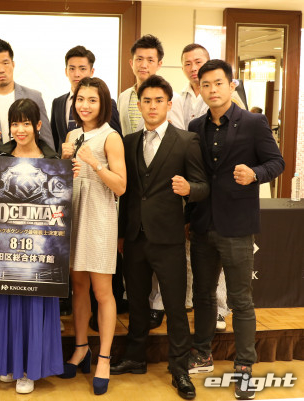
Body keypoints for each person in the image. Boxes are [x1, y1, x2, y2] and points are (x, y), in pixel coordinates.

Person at [187, 59, 284, 400]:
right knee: (202, 295)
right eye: (206, 84)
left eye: (218, 83)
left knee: (240, 300)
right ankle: (202, 352)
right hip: (202, 224)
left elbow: (277, 162)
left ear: (231, 85)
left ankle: (244, 366)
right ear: (199, 89)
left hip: (238, 226)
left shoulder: (254, 122)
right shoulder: (195, 126)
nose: (212, 89)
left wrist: (255, 174)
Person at [0, 98, 78, 394]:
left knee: (33, 306)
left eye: (26, 123)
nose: (20, 129)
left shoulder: (53, 161)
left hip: (40, 255)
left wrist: (70, 174)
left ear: (38, 125)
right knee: (5, 303)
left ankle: (30, 368)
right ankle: (8, 364)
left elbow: (61, 209)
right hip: (4, 253)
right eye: (15, 124)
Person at [113, 74, 208, 400]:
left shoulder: (186, 140)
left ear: (169, 105)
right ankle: (135, 357)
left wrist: (190, 189)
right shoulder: (128, 142)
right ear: (139, 106)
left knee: (175, 307)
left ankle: (180, 368)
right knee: (137, 302)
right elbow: (126, 194)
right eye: (146, 101)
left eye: (158, 101)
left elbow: (203, 186)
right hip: (134, 237)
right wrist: (121, 234)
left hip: (168, 238)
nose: (152, 106)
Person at [168, 43, 243, 336]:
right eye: (187, 63)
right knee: (196, 251)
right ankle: (198, 306)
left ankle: (221, 308)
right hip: (191, 180)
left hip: (223, 188)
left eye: (198, 61)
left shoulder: (229, 96)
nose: (193, 68)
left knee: (219, 254)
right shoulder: (178, 97)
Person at [58, 77, 126, 396]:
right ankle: (81, 347)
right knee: (79, 286)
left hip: (99, 216)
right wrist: (63, 162)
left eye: (92, 100)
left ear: (104, 104)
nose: (85, 105)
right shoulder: (72, 135)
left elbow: (121, 186)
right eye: (80, 99)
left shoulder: (111, 137)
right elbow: (62, 180)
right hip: (74, 213)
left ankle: (104, 358)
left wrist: (94, 163)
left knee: (103, 291)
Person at [117, 34, 172, 329]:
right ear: (131, 63)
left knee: (159, 248)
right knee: (135, 244)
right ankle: (135, 298)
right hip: (131, 178)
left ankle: (158, 303)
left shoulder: (166, 96)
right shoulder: (123, 97)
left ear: (159, 63)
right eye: (139, 59)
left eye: (150, 59)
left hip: (160, 182)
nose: (144, 64)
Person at [0, 38, 53, 155]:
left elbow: (46, 139)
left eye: (5, 63)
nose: (1, 70)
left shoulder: (34, 97)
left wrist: (52, 162)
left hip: (31, 163)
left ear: (13, 64)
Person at [50, 45, 122, 152]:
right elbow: (55, 141)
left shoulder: (106, 102)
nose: (77, 74)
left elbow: (117, 140)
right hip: (66, 160)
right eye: (72, 69)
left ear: (92, 71)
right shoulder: (58, 103)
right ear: (66, 71)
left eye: (82, 69)